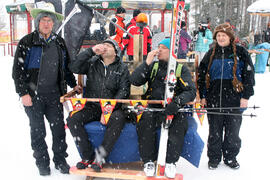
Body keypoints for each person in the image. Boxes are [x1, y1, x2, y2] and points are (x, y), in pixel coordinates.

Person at [12, 1, 81, 176]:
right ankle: (42, 162)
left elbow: (65, 69)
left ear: (53, 23)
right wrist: (23, 93)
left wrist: (74, 85)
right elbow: (17, 72)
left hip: (54, 96)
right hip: (33, 97)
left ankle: (60, 160)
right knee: (37, 132)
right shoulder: (27, 42)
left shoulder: (59, 42)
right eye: (43, 20)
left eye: (50, 20)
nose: (46, 23)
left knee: (58, 131)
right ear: (38, 22)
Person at [130, 38, 196, 178]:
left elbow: (190, 91)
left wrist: (177, 103)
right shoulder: (153, 66)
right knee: (145, 123)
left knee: (178, 126)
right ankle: (148, 161)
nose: (159, 50)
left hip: (173, 108)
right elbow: (135, 80)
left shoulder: (180, 69)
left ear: (171, 51)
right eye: (158, 47)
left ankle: (171, 162)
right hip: (153, 106)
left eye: (163, 48)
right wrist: (146, 63)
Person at [197, 23, 255, 170]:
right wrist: (203, 96)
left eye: (224, 35)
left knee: (233, 132)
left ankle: (230, 157)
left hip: (234, 99)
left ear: (230, 37)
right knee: (214, 132)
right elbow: (202, 76)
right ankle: (214, 158)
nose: (221, 38)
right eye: (218, 35)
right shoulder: (211, 53)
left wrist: (245, 96)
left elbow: (249, 75)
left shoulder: (241, 52)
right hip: (214, 99)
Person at [67, 39, 130, 172]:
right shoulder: (92, 63)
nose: (105, 47)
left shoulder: (122, 68)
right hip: (92, 106)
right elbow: (73, 67)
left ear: (115, 51)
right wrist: (91, 51)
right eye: (103, 45)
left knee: (118, 118)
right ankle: (87, 156)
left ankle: (100, 157)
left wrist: (108, 109)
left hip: (114, 107)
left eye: (109, 45)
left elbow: (124, 91)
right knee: (73, 119)